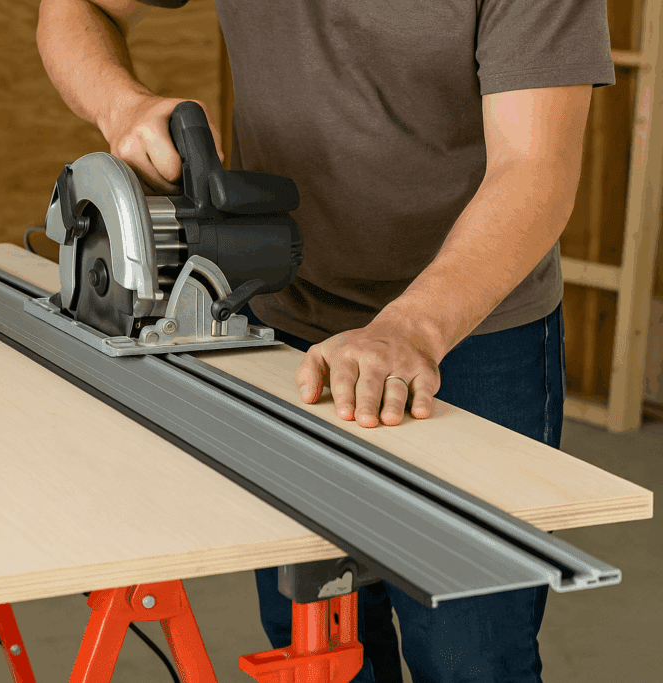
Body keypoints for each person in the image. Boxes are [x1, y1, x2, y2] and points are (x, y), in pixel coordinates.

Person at [36, 1, 615, 680]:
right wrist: (121, 104)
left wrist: (410, 327)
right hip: (284, 328)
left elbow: (535, 169)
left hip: (471, 332)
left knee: (471, 657)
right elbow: (75, 8)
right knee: (311, 647)